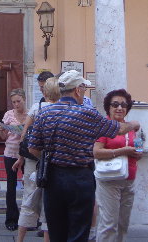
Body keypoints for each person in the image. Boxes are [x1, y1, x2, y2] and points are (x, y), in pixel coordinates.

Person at [28, 70, 140, 242]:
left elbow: (33, 149)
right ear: (77, 90)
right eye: (84, 89)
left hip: (53, 178)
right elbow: (118, 129)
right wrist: (134, 124)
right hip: (80, 178)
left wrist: (53, 155)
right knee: (79, 232)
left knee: (56, 231)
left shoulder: (45, 113)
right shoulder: (88, 114)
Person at [13, 77, 61, 242]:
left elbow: (24, 136)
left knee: (29, 197)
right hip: (55, 161)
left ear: (45, 92)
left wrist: (21, 157)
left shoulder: (37, 108)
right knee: (50, 200)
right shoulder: (64, 109)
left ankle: (20, 238)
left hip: (35, 159)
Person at [93, 89, 142, 242]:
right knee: (109, 224)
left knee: (123, 224)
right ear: (108, 107)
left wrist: (138, 152)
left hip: (129, 179)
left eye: (123, 105)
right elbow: (96, 152)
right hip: (109, 180)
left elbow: (138, 147)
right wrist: (123, 151)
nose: (119, 108)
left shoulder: (131, 127)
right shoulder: (105, 126)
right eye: (115, 105)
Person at [0, 88, 27, 231]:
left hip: (26, 154)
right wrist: (1, 131)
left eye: (18, 101)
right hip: (10, 152)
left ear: (24, 100)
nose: (16, 104)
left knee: (29, 185)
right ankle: (11, 218)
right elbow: (4, 137)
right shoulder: (9, 115)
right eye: (14, 102)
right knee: (11, 185)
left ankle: (28, 217)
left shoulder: (30, 114)